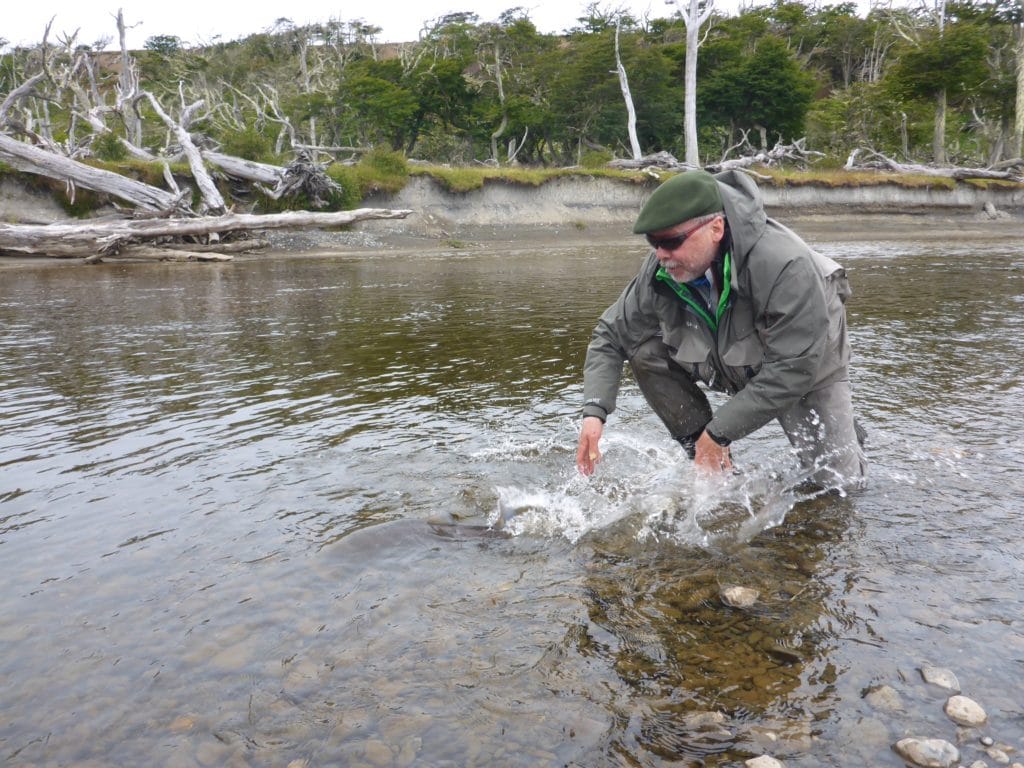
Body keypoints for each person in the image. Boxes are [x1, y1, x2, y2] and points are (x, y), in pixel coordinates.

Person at [575, 169, 865, 488]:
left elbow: (792, 370)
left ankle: (839, 430)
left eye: (671, 241)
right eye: (653, 242)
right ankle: (712, 462)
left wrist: (719, 432)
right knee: (644, 349)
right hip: (730, 345)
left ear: (715, 228)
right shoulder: (661, 268)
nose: (661, 254)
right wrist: (594, 412)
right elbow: (611, 335)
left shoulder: (785, 265)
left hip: (808, 359)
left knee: (838, 484)